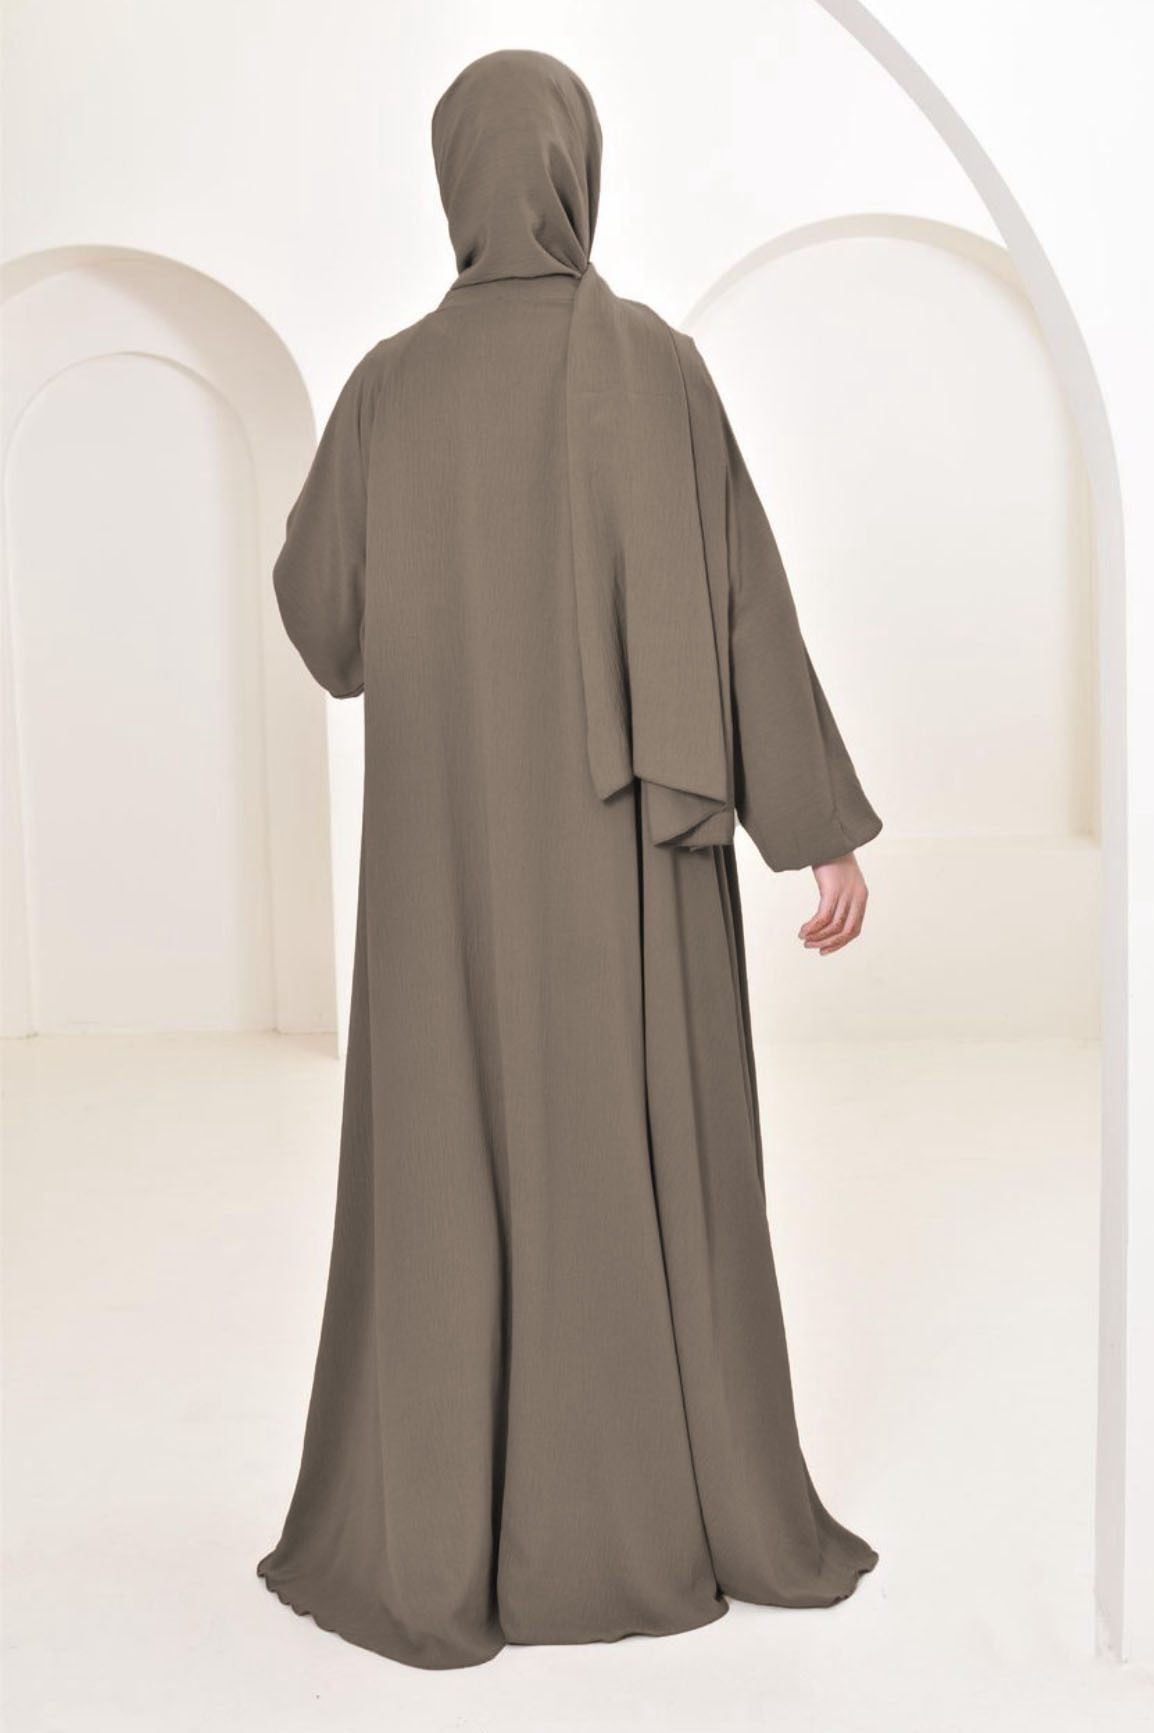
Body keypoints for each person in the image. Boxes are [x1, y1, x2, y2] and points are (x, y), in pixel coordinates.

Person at [256, 47, 882, 1671]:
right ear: (575, 170)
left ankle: (447, 1528)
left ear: (452, 178)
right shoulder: (657, 366)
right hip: (629, 874)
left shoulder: (389, 386)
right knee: (636, 1143)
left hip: (445, 874)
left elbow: (323, 625)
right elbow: (743, 602)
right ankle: (655, 1507)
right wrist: (811, 831)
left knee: (451, 1149)